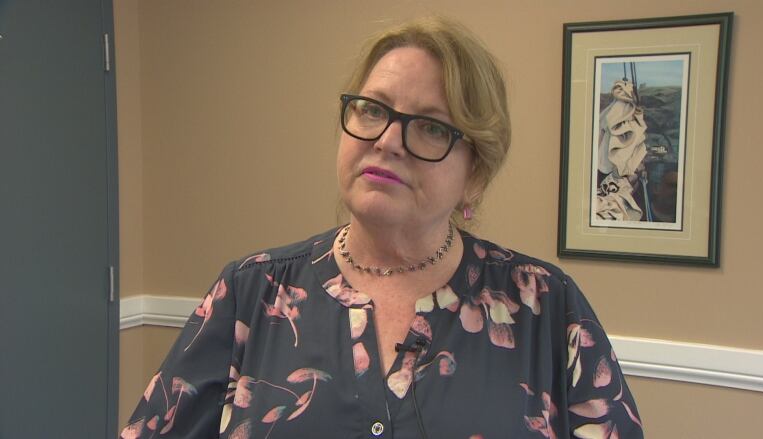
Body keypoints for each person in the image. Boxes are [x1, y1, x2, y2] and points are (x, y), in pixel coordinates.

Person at [121, 16, 643, 439]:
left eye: (431, 126)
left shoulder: (545, 306)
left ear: (475, 175)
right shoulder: (252, 292)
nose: (388, 140)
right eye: (372, 110)